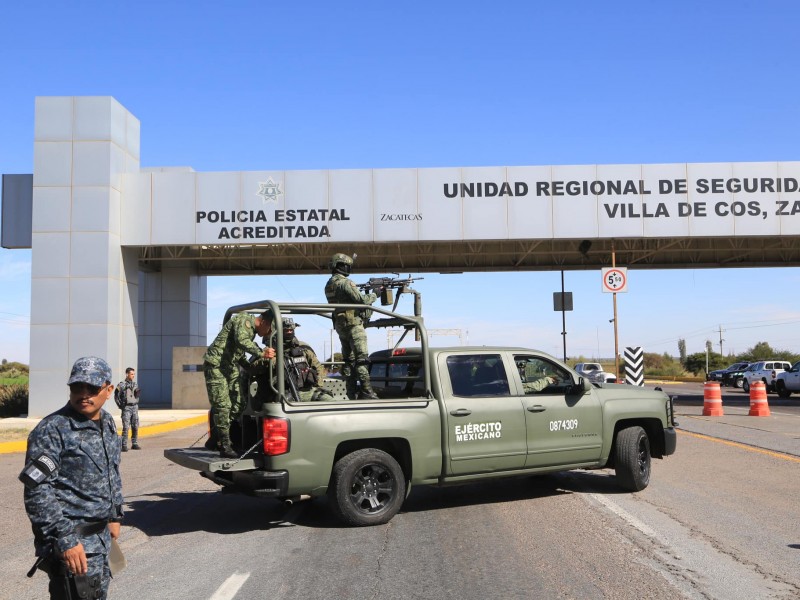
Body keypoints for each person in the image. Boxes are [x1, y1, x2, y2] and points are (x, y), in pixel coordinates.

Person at [20, 356, 124, 600]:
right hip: (73, 542)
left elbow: (112, 471)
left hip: (100, 539)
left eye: (92, 388)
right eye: (77, 387)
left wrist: (115, 515)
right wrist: (64, 539)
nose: (84, 394)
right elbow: (36, 489)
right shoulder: (52, 429)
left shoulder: (107, 422)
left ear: (108, 390)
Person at [204, 310, 276, 458]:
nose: (267, 334)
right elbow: (241, 341)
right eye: (269, 330)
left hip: (230, 367)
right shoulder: (244, 320)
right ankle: (225, 445)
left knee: (239, 404)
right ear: (264, 322)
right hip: (216, 366)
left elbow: (239, 353)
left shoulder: (252, 332)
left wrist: (252, 367)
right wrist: (262, 352)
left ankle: (216, 436)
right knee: (223, 406)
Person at [324, 253, 379, 399]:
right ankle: (368, 392)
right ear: (341, 266)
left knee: (349, 361)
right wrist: (375, 294)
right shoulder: (345, 283)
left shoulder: (329, 285)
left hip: (341, 326)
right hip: (354, 325)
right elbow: (362, 300)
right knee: (361, 359)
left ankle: (351, 392)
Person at [281, 317, 335, 402]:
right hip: (286, 393)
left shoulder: (303, 347)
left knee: (330, 401)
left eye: (291, 330)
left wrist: (318, 386)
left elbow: (318, 367)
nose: (289, 332)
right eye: (286, 331)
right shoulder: (272, 350)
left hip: (309, 391)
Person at [114, 367, 140, 451]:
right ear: (127, 374)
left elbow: (136, 395)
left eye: (134, 374)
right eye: (132, 374)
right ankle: (124, 445)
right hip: (127, 408)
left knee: (135, 426)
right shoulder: (121, 384)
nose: (133, 376)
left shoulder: (135, 384)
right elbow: (116, 395)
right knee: (126, 427)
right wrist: (120, 405)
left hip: (135, 407)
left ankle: (134, 443)